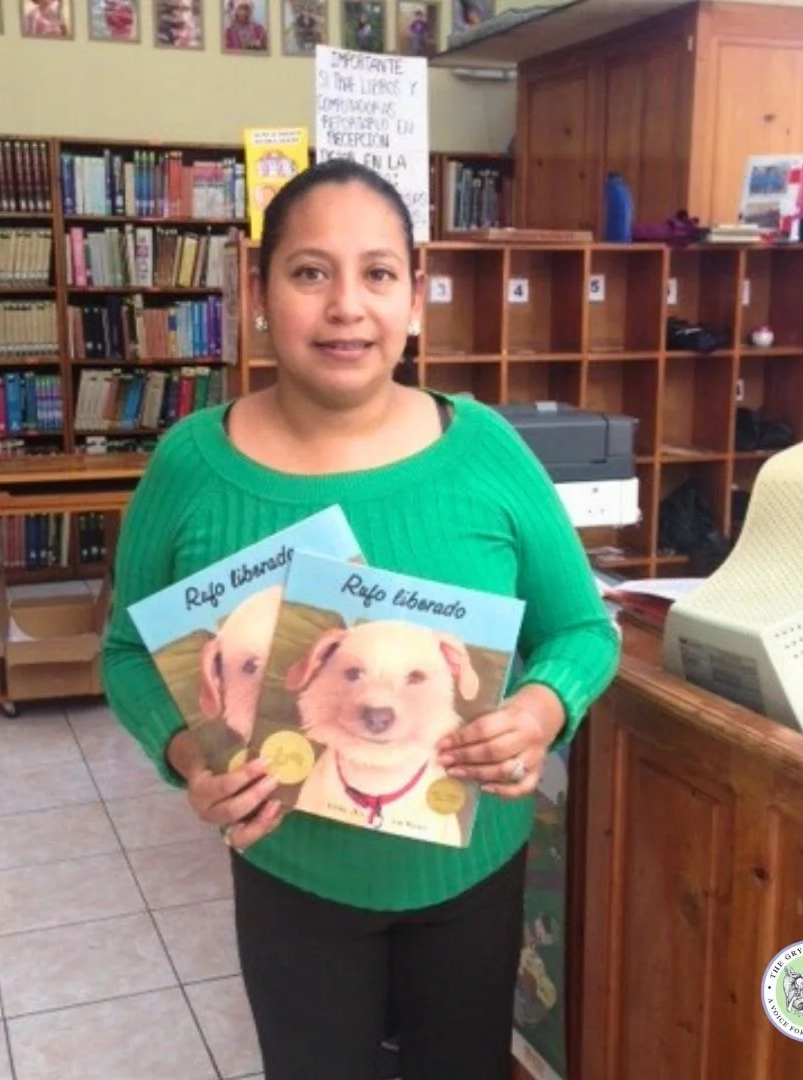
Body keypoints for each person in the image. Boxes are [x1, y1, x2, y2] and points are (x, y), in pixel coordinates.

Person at [102, 158, 620, 1080]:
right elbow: (126, 654)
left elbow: (582, 629)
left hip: (471, 873)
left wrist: (538, 714)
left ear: (415, 300)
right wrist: (187, 757)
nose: (347, 305)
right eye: (310, 272)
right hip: (292, 874)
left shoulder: (487, 452)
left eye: (378, 273)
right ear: (259, 294)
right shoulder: (191, 464)